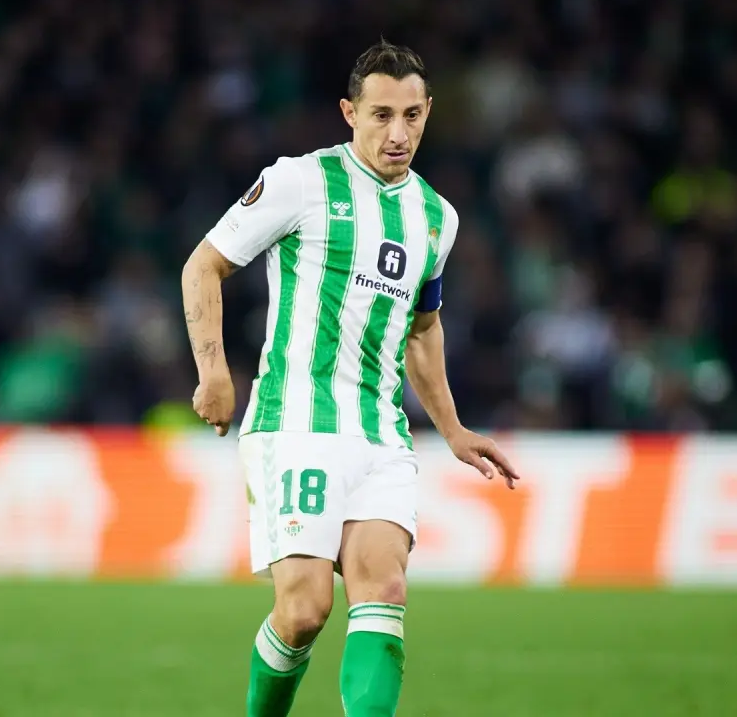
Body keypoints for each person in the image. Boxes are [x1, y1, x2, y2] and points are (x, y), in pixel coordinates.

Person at [181, 39, 520, 716]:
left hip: (381, 436)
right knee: (304, 610)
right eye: (381, 115)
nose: (398, 134)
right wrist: (213, 372)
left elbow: (423, 329)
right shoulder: (299, 182)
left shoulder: (436, 218)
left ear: (429, 112)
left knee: (384, 591)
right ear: (349, 112)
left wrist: (453, 428)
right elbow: (203, 266)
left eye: (412, 116)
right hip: (296, 423)